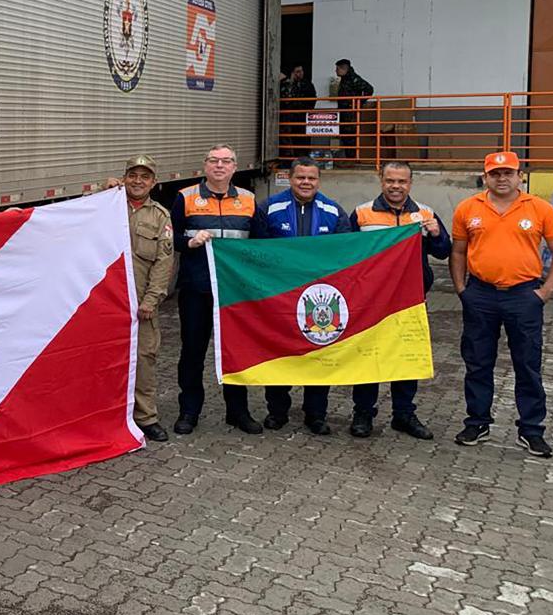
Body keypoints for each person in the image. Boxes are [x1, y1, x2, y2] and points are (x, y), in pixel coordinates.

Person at [450, 151, 553, 458]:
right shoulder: (468, 208)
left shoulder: (540, 208)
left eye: (508, 173)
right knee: (478, 362)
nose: (501, 179)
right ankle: (477, 422)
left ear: (520, 176)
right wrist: (462, 288)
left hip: (524, 296)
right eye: (495, 173)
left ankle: (531, 430)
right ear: (485, 177)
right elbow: (459, 252)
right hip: (480, 295)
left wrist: (545, 291)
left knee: (527, 364)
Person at [348, 161, 450, 440]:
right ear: (381, 180)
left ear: (410, 183)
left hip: (410, 302)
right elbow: (346, 255)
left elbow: (443, 252)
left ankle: (403, 415)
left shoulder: (425, 213)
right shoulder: (362, 213)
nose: (396, 186)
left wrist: (437, 234)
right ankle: (363, 413)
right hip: (372, 302)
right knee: (368, 359)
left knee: (407, 360)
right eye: (390, 180)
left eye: (402, 181)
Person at [252, 156, 350, 435]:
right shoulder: (268, 208)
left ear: (319, 180)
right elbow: (256, 251)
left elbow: (347, 252)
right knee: (279, 353)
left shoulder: (334, 211)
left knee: (319, 353)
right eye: (300, 177)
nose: (306, 182)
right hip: (279, 296)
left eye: (311, 178)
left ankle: (316, 415)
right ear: (290, 178)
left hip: (319, 299)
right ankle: (277, 411)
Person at [170, 144, 260, 435]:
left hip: (233, 292)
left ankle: (238, 411)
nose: (219, 165)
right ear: (205, 165)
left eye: (226, 161)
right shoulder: (185, 197)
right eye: (214, 160)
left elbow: (261, 244)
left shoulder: (249, 200)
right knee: (192, 352)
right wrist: (190, 243)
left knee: (235, 351)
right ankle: (189, 411)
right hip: (196, 289)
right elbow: (170, 238)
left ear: (235, 167)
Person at [121, 155, 174, 442]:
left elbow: (163, 263)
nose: (138, 181)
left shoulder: (160, 217)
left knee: (143, 359)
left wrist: (151, 300)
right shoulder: (107, 207)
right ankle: (109, 413)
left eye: (144, 176)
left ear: (153, 182)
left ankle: (145, 417)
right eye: (133, 175)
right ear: (124, 178)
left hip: (140, 304)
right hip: (108, 303)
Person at [334, 59, 373, 159]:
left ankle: (352, 159)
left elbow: (369, 89)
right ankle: (349, 158)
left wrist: (358, 103)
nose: (336, 71)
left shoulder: (353, 78)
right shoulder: (345, 79)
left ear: (344, 69)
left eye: (337, 69)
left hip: (350, 114)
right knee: (345, 136)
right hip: (344, 112)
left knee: (350, 137)